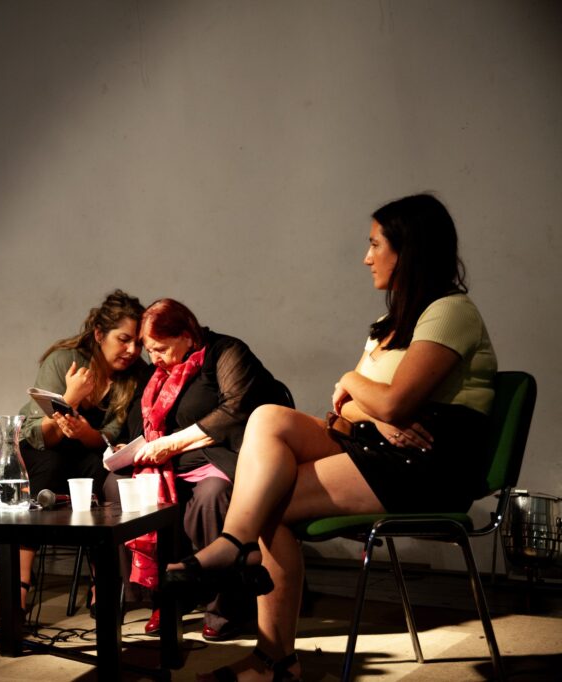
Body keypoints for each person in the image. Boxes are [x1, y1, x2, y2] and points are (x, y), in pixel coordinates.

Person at [164, 194, 497, 681]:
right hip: (376, 447)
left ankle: (271, 653)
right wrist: (372, 407)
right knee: (269, 418)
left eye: (375, 244)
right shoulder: (388, 327)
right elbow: (343, 413)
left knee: (269, 504)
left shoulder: (451, 312)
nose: (366, 257)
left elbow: (391, 403)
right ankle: (240, 554)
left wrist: (352, 381)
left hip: (429, 464)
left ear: (409, 250)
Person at [106, 298, 289, 641]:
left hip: (218, 457)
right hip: (170, 465)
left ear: (188, 336)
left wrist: (171, 444)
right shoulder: (157, 372)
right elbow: (137, 423)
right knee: (117, 486)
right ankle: (166, 596)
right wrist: (128, 447)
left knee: (211, 495)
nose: (154, 358)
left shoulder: (225, 353)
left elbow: (235, 410)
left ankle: (225, 606)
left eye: (161, 349)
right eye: (149, 350)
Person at [0, 290, 148, 610]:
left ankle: (102, 582)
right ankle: (20, 586)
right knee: (48, 466)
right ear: (99, 335)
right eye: (123, 339)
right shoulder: (64, 360)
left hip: (88, 453)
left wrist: (86, 432)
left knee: (102, 471)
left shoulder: (136, 376)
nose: (132, 350)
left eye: (138, 343)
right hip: (41, 447)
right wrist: (71, 398)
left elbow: (108, 441)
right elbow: (42, 436)